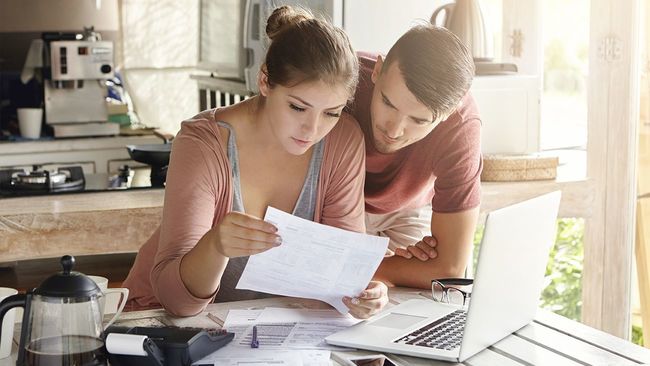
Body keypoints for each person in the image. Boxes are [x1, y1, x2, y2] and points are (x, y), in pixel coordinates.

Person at [122, 6, 388, 319]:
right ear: (264, 81)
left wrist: (362, 294)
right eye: (298, 107)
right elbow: (178, 304)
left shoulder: (343, 139)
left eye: (331, 112)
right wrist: (215, 246)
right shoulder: (203, 143)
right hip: (163, 325)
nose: (312, 130)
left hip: (265, 330)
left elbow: (338, 275)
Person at [346, 25, 482, 289]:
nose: (393, 130)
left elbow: (449, 270)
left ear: (448, 113)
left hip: (406, 210)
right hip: (333, 203)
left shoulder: (461, 126)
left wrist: (358, 265)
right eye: (387, 102)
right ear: (377, 70)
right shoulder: (343, 78)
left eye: (418, 120)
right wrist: (384, 267)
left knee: (420, 300)